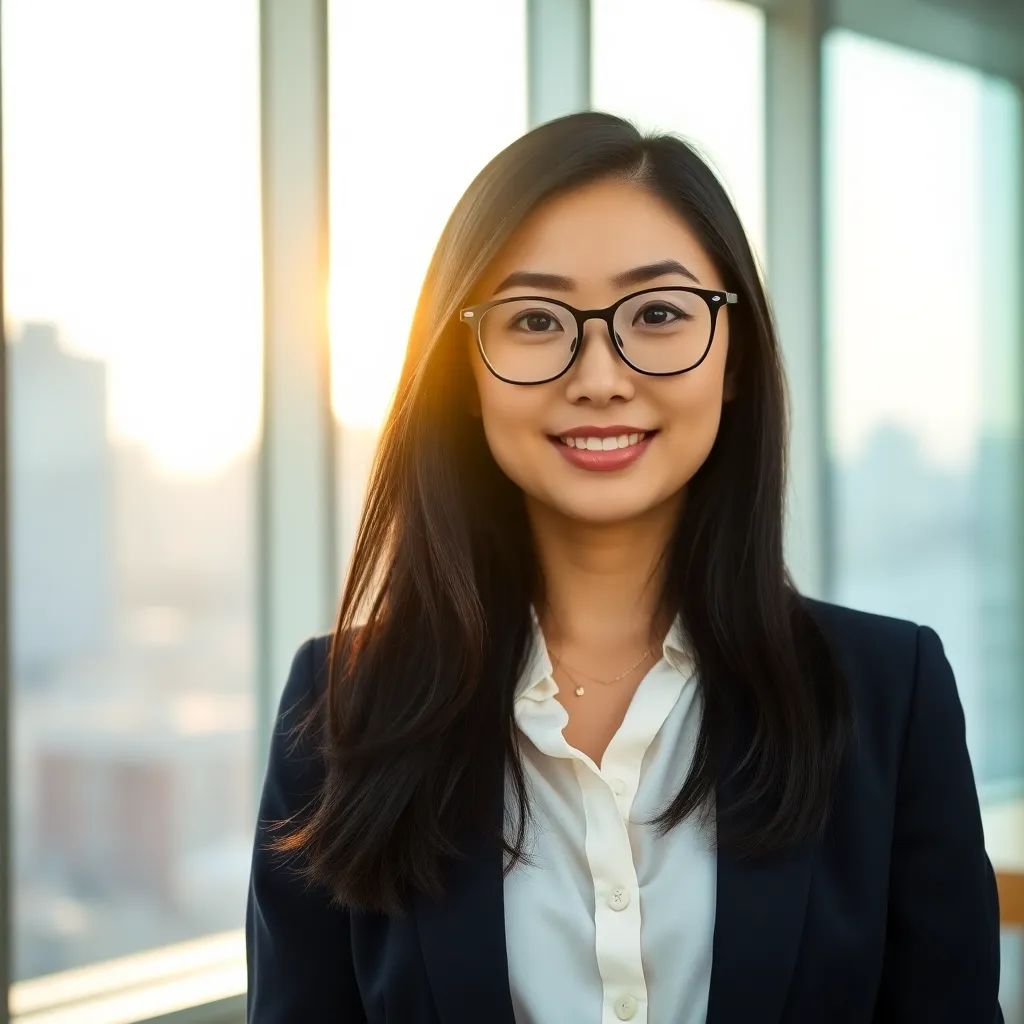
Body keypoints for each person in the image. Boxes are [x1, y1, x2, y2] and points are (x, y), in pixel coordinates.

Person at [244, 111, 1002, 1023]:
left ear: (735, 358)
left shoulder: (889, 695)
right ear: (464, 371)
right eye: (534, 319)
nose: (599, 375)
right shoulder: (341, 708)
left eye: (657, 314)